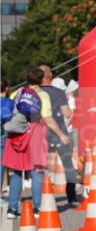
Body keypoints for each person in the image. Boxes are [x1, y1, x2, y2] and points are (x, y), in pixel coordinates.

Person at [4, 67, 65, 217]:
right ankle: (37, 208)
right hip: (35, 134)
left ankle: (12, 209)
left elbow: (10, 110)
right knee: (37, 172)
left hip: (16, 134)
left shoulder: (17, 93)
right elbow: (48, 118)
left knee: (17, 172)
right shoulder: (42, 95)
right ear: (42, 79)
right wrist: (61, 134)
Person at [39, 65, 78, 205]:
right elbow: (67, 113)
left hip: (41, 132)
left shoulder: (33, 91)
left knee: (41, 165)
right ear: (50, 76)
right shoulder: (58, 92)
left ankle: (43, 195)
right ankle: (71, 196)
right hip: (60, 131)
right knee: (68, 163)